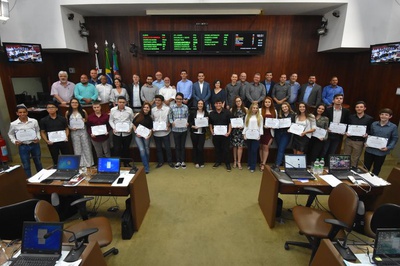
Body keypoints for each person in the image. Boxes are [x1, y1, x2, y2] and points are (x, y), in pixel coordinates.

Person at [8, 104, 42, 177]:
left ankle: (41, 178)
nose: (22, 114)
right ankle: (29, 181)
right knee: (26, 164)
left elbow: (38, 131)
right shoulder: (13, 124)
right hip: (23, 146)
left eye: (24, 112)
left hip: (34, 144)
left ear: (27, 112)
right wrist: (14, 141)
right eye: (20, 112)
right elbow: (10, 134)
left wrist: (38, 138)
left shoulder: (34, 121)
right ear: (17, 113)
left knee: (38, 162)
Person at [364, 108, 398, 176]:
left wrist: (388, 147)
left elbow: (394, 138)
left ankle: (373, 183)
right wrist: (366, 141)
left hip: (381, 152)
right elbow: (370, 134)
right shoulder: (374, 124)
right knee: (365, 168)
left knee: (376, 169)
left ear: (390, 116)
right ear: (379, 115)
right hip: (370, 150)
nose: (383, 116)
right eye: (382, 114)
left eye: (386, 115)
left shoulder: (393, 127)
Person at [39, 101, 71, 166]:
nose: (50, 109)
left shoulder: (62, 119)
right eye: (48, 108)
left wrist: (66, 136)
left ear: (56, 109)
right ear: (47, 109)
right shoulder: (43, 120)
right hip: (52, 143)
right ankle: (58, 171)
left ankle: (69, 170)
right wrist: (46, 141)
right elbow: (42, 132)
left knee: (67, 157)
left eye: (52, 107)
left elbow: (66, 128)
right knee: (55, 158)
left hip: (63, 141)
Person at [343, 101, 373, 169]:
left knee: (355, 158)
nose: (359, 108)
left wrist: (367, 134)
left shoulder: (369, 119)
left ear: (364, 108)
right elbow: (346, 126)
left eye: (361, 107)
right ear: (355, 108)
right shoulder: (351, 117)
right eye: (357, 107)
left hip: (359, 141)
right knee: (345, 156)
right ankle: (343, 169)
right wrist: (346, 132)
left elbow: (370, 130)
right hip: (349, 139)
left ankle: (352, 170)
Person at [65, 98, 94, 167]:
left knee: (86, 146)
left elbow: (87, 120)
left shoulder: (83, 111)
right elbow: (66, 123)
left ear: (78, 104)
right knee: (77, 148)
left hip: (83, 131)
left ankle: (89, 163)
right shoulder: (68, 113)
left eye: (76, 102)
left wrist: (85, 120)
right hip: (74, 132)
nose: (74, 104)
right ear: (70, 104)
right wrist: (71, 128)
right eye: (73, 102)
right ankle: (80, 164)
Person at [322, 93, 350, 160]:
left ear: (342, 100)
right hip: (328, 133)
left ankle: (328, 167)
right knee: (324, 150)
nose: (339, 100)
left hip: (338, 135)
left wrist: (344, 131)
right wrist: (326, 128)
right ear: (333, 100)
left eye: (341, 98)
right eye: (337, 98)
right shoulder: (328, 110)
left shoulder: (346, 111)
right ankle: (322, 165)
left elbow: (347, 122)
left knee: (332, 151)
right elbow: (324, 121)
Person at [109, 96, 134, 167]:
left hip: (127, 133)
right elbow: (110, 120)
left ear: (125, 103)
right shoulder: (113, 110)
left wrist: (130, 128)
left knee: (126, 148)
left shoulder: (129, 110)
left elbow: (132, 120)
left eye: (123, 102)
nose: (121, 104)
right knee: (117, 149)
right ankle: (117, 164)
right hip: (116, 133)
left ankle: (126, 163)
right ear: (117, 102)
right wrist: (114, 128)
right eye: (120, 102)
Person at [209, 99, 232, 172]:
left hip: (225, 135)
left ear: (222, 104)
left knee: (226, 149)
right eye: (217, 103)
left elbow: (230, 123)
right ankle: (218, 162)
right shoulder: (212, 113)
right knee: (217, 149)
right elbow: (210, 124)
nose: (218, 105)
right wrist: (211, 131)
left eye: (220, 103)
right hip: (216, 135)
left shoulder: (227, 112)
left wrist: (229, 132)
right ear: (214, 104)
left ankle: (227, 163)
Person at [151, 95, 174, 169]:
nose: (157, 102)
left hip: (165, 132)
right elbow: (152, 120)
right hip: (156, 133)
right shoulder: (153, 110)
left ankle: (170, 161)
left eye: (158, 100)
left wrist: (169, 125)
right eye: (156, 100)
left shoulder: (167, 109)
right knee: (158, 148)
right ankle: (160, 162)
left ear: (162, 101)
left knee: (167, 148)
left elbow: (171, 119)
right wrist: (152, 127)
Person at [169, 92, 189, 169]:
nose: (179, 100)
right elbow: (170, 117)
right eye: (177, 99)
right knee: (177, 146)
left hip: (184, 129)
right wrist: (172, 122)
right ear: (175, 99)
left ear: (182, 99)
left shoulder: (185, 107)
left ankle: (182, 161)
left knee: (182, 146)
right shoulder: (172, 107)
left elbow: (187, 116)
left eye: (180, 99)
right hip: (175, 129)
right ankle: (178, 161)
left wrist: (187, 122)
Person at [243, 103, 263, 173]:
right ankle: (249, 164)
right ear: (251, 108)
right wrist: (244, 134)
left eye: (256, 108)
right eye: (253, 108)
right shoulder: (247, 116)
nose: (255, 109)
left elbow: (261, 126)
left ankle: (253, 166)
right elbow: (245, 125)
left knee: (254, 151)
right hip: (248, 136)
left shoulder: (260, 116)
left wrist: (259, 135)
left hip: (256, 136)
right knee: (249, 150)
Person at [274, 102, 295, 168]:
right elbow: (276, 123)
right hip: (278, 133)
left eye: (285, 107)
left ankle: (277, 164)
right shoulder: (280, 115)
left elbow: (294, 125)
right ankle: (283, 162)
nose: (284, 108)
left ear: (288, 107)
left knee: (281, 149)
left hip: (286, 134)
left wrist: (291, 128)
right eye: (283, 107)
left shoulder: (293, 115)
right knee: (280, 149)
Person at [133, 103, 153, 174]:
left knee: (147, 149)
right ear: (142, 108)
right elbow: (134, 124)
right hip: (138, 136)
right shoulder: (138, 115)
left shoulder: (150, 118)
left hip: (146, 136)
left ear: (149, 109)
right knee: (142, 150)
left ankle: (146, 164)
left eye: (147, 107)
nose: (146, 109)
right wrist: (136, 132)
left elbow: (151, 129)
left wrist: (149, 135)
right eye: (144, 107)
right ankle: (146, 167)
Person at [188, 100, 209, 168]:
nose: (200, 105)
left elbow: (208, 123)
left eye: (201, 104)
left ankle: (201, 161)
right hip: (194, 132)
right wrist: (193, 126)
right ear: (197, 104)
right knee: (195, 147)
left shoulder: (206, 113)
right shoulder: (193, 112)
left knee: (200, 148)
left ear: (203, 105)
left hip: (202, 132)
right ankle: (196, 161)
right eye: (199, 103)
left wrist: (207, 122)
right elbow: (189, 122)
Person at [230, 96, 247, 170]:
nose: (238, 102)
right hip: (234, 130)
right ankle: (234, 161)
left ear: (241, 101)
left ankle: (239, 162)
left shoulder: (246, 109)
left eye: (239, 101)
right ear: (235, 102)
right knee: (234, 146)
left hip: (242, 131)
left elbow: (247, 120)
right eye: (236, 101)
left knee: (240, 146)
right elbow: (230, 120)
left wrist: (243, 126)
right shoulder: (232, 109)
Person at [259, 96, 276, 171]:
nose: (267, 103)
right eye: (266, 102)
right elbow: (258, 121)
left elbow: (276, 122)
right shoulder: (260, 110)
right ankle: (261, 161)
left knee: (266, 147)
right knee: (261, 147)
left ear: (271, 103)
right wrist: (263, 126)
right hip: (261, 131)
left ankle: (263, 164)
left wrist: (272, 126)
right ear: (264, 103)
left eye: (269, 102)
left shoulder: (274, 111)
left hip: (269, 132)